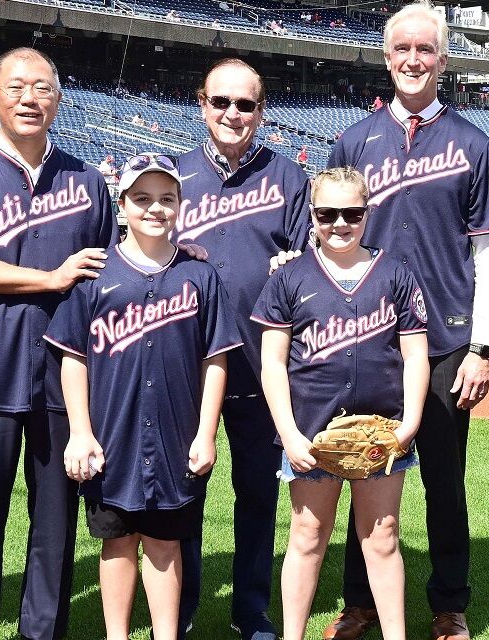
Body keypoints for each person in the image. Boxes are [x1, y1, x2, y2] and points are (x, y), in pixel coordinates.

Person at [323, 4, 489, 639]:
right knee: (362, 469)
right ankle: (359, 600)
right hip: (367, 338)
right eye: (400, 47)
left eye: (425, 49)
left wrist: (483, 347)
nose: (412, 58)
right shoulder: (354, 139)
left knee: (443, 483)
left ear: (443, 59)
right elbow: (330, 245)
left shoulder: (473, 144)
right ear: (385, 55)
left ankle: (449, 600)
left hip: (447, 340)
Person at [0, 47, 117, 640]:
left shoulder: (84, 178)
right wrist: (52, 278)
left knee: (54, 531)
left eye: (43, 88)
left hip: (64, 379)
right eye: (16, 87)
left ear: (59, 99)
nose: (29, 99)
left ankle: (42, 634)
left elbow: (113, 273)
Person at [46, 153, 239, 640]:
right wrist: (81, 433)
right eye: (142, 199)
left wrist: (206, 433)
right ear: (123, 204)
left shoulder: (200, 276)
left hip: (176, 435)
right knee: (116, 542)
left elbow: (215, 359)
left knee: (165, 543)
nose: (155, 208)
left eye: (166, 199)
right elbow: (74, 358)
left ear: (180, 205)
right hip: (113, 432)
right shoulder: (96, 274)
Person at [254, 167, 428, 640]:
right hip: (311, 432)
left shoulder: (394, 273)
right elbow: (272, 363)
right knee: (307, 537)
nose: (340, 223)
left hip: (381, 433)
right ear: (312, 215)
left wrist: (408, 423)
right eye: (327, 213)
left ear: (367, 214)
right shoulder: (290, 277)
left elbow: (415, 355)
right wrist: (289, 434)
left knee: (383, 537)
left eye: (352, 213)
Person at [175, 57, 311, 640]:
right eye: (220, 102)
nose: (232, 113)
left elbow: (315, 267)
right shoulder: (172, 178)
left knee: (257, 496)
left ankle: (250, 610)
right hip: (185, 368)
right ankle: (175, 611)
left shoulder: (288, 177)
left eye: (245, 104)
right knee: (182, 497)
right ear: (202, 104)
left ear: (262, 111)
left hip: (261, 367)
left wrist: (296, 268)